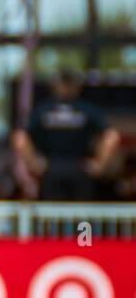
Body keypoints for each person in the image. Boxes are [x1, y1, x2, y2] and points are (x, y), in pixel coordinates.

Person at [14, 70, 119, 201]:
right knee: (80, 216)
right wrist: (99, 165)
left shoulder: (44, 110)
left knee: (52, 215)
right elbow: (111, 136)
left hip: (54, 169)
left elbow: (20, 138)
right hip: (77, 169)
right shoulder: (86, 109)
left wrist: (34, 163)